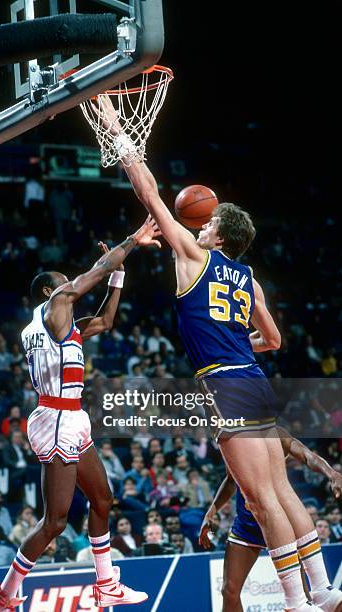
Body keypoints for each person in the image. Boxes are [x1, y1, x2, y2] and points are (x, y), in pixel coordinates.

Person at [95, 96, 342, 612]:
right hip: (252, 376)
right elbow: (272, 341)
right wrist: (234, 343)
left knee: (261, 499)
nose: (198, 227)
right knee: (283, 491)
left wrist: (118, 129)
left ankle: (297, 603)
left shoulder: (193, 255)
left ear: (217, 232)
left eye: (205, 225)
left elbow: (148, 192)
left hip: (226, 382)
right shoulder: (249, 279)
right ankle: (322, 588)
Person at [0, 218, 161, 611]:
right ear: (50, 292)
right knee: (55, 522)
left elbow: (105, 321)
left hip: (70, 416)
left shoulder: (56, 325)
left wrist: (117, 279)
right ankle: (5, 595)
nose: (72, 287)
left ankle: (107, 585)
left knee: (103, 498)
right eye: (65, 283)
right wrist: (132, 241)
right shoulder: (55, 307)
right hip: (57, 417)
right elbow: (91, 275)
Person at [199, 428, 342, 611]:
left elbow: (308, 456)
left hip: (279, 518)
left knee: (302, 597)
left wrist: (332, 473)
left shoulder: (273, 432)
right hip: (248, 521)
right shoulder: (235, 435)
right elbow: (230, 478)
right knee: (229, 591)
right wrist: (212, 510)